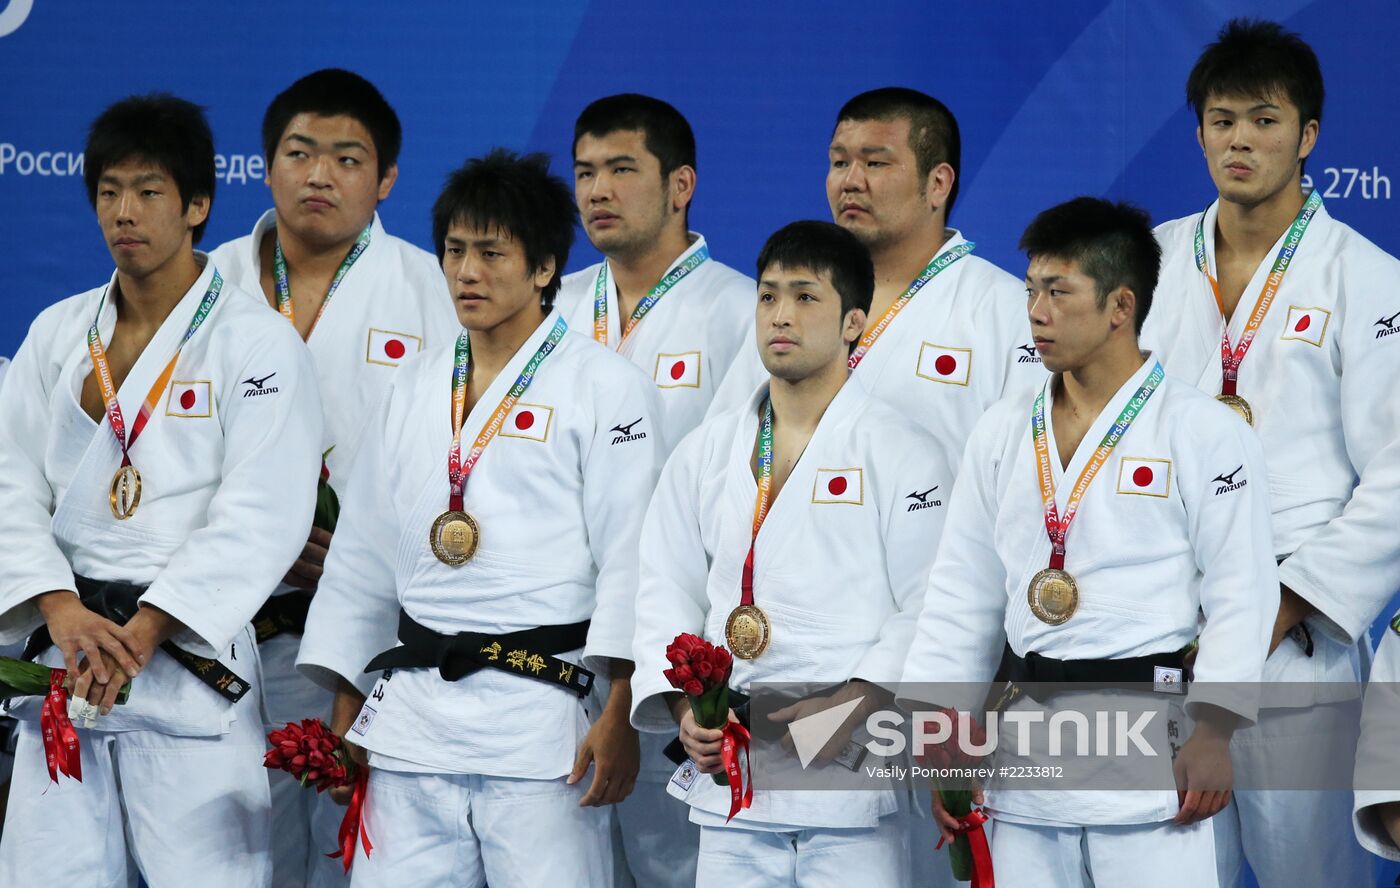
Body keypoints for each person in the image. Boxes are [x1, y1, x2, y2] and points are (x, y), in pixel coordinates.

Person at [295, 149, 664, 887]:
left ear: (544, 267)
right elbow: (364, 555)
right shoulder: (414, 384)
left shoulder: (606, 387)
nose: (467, 271)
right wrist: (348, 705)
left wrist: (620, 708)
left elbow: (634, 559)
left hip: (541, 721)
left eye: (491, 252)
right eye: (455, 251)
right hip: (412, 725)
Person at [901, 198, 1277, 887]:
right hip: (1022, 761)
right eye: (1031, 291)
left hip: (1150, 754)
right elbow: (962, 590)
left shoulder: (1203, 431)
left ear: (1119, 306)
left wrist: (1216, 731)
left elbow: (1242, 591)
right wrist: (944, 729)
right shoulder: (1001, 429)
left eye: (1058, 291)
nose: (1036, 312)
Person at [0, 94, 321, 885]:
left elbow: (262, 513)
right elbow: (8, 484)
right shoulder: (56, 333)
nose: (124, 213)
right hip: (67, 666)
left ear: (198, 204)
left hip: (188, 668)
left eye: (148, 191)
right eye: (108, 192)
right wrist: (59, 608)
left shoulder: (257, 343)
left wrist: (141, 634)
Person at [1141, 20, 1400, 886]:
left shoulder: (1367, 278)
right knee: (1169, 870)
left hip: (1297, 643)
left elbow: (1398, 472)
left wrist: (1286, 603)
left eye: (1263, 119)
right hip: (1164, 624)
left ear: (1309, 136)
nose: (1240, 141)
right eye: (1221, 120)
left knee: (1309, 875)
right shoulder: (1149, 264)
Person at [631, 220, 952, 887]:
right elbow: (665, 587)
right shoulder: (705, 452)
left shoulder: (904, 451)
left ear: (853, 322)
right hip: (732, 774)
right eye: (769, 296)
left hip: (848, 772)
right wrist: (687, 708)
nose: (781, 314)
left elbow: (930, 605)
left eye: (806, 297)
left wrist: (855, 703)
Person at [209, 68, 458, 888]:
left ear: (386, 178)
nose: (320, 175)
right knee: (231, 854)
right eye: (299, 152)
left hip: (373, 632)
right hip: (216, 626)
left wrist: (358, 555)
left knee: (360, 853)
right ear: (265, 164)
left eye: (347, 158)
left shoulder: (436, 293)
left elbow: (470, 456)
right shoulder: (201, 288)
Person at [557, 92, 755, 888]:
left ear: (681, 186)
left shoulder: (746, 312)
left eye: (621, 170)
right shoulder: (550, 311)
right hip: (552, 642)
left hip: (680, 657)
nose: (598, 190)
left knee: (678, 868)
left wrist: (652, 682)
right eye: (585, 173)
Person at [709, 87, 1041, 476]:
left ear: (938, 183)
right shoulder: (790, 303)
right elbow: (723, 447)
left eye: (875, 164)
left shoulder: (1007, 310)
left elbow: (1029, 472)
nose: (850, 181)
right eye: (838, 162)